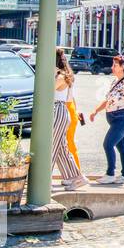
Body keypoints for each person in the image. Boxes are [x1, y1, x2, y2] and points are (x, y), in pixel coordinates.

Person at [90, 54, 124, 185]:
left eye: (115, 65)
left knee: (108, 144)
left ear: (123, 67)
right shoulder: (114, 81)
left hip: (123, 117)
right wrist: (95, 111)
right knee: (122, 147)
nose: (112, 67)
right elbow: (108, 100)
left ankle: (110, 173)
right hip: (115, 118)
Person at [52, 51, 86, 191]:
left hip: (57, 109)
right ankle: (76, 177)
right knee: (60, 148)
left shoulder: (60, 76)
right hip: (61, 110)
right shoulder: (64, 75)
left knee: (51, 147)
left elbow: (47, 90)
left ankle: (44, 180)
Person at [57, 47, 83, 173]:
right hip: (70, 110)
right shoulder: (67, 74)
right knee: (65, 145)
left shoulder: (61, 76)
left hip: (64, 110)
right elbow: (72, 97)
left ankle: (77, 173)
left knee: (68, 145)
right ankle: (75, 174)